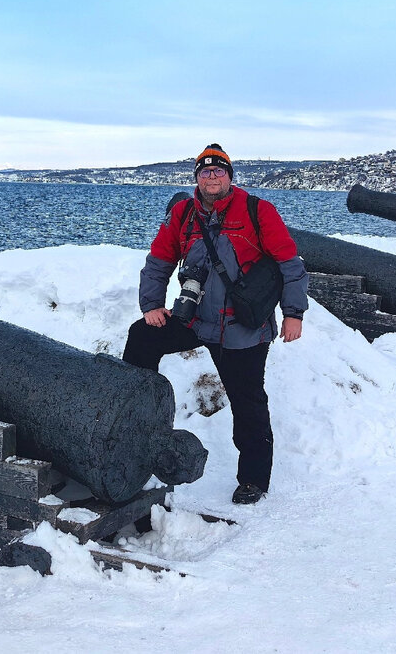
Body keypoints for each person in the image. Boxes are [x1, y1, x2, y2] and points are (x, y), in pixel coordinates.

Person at [123, 143, 308, 505]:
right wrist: (152, 306)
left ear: (229, 176)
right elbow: (159, 260)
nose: (212, 176)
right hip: (196, 318)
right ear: (197, 178)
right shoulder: (183, 214)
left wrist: (293, 313)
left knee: (248, 401)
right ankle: (132, 423)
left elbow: (290, 263)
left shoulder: (257, 211)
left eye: (218, 171)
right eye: (205, 171)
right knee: (142, 336)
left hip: (243, 326)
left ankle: (253, 479)